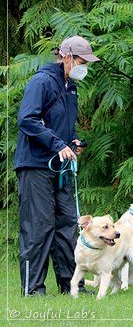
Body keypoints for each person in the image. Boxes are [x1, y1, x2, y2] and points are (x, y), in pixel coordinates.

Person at [14, 35, 100, 296]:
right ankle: (33, 289)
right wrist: (57, 144)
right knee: (38, 227)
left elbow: (62, 124)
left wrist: (71, 140)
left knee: (67, 225)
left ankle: (71, 285)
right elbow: (27, 120)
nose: (84, 66)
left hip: (60, 166)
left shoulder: (70, 86)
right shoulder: (42, 81)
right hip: (35, 165)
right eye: (82, 61)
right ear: (66, 56)